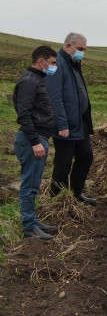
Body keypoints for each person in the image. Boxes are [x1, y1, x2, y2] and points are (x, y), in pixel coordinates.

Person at [13, 45, 59, 240]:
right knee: (29, 185)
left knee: (34, 184)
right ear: (42, 61)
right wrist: (35, 141)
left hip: (39, 138)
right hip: (32, 140)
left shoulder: (36, 79)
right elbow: (24, 114)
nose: (55, 66)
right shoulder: (29, 81)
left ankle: (32, 220)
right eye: (53, 63)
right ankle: (29, 227)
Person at [45, 32, 96, 205]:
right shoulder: (58, 64)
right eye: (80, 48)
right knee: (63, 162)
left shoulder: (74, 64)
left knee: (86, 156)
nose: (82, 52)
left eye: (84, 49)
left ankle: (75, 194)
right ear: (68, 46)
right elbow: (54, 98)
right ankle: (56, 200)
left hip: (78, 122)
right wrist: (62, 124)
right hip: (65, 124)